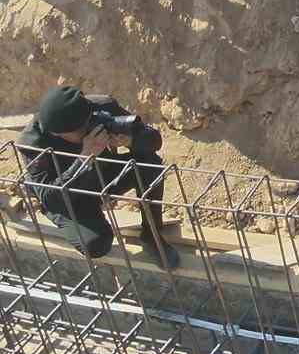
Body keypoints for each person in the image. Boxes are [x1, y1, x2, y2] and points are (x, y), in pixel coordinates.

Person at [17, 85, 179, 268]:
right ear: (57, 133)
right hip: (69, 196)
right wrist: (84, 157)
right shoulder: (34, 143)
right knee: (96, 244)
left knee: (149, 163)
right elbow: (51, 199)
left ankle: (152, 236)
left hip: (103, 173)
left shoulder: (99, 108)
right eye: (80, 130)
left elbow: (154, 140)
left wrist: (130, 140)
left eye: (87, 123)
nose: (87, 129)